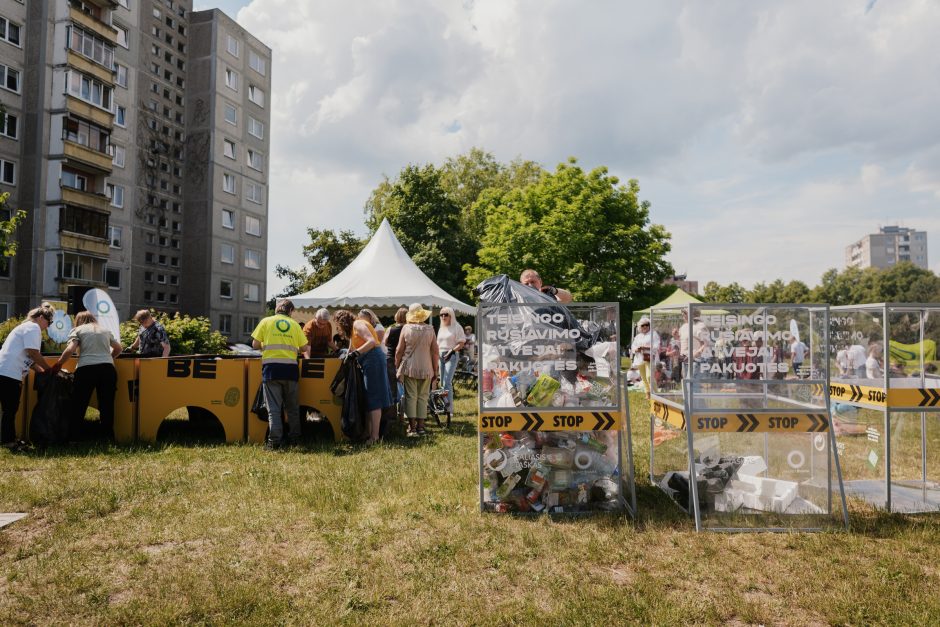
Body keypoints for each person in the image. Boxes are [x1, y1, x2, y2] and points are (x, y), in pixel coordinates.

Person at [54, 311, 123, 441]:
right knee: (107, 405)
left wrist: (59, 364)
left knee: (79, 404)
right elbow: (119, 348)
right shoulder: (105, 330)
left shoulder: (78, 330)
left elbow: (70, 349)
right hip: (108, 369)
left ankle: (74, 438)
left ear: (79, 320)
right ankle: (107, 437)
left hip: (86, 369)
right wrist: (108, 358)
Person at [251, 299, 309, 450]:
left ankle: (274, 442)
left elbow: (255, 345)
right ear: (290, 311)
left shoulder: (266, 321)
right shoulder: (295, 325)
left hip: (271, 371)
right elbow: (304, 347)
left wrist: (266, 345)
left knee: (274, 409)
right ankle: (295, 439)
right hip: (290, 371)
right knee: (292, 408)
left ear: (277, 309)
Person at [0, 305, 57, 447]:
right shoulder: (33, 328)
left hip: (6, 371)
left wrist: (41, 371)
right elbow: (33, 353)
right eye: (49, 323)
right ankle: (8, 441)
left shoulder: (24, 327)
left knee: (9, 409)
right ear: (41, 317)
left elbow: (29, 359)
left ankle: (8, 439)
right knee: (10, 409)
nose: (48, 327)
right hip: (10, 373)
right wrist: (49, 370)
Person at [335, 309, 391, 444]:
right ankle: (369, 433)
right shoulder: (353, 330)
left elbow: (371, 341)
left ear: (343, 322)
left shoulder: (358, 324)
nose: (338, 328)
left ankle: (375, 437)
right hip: (368, 361)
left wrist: (355, 354)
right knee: (369, 397)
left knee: (374, 397)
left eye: (338, 324)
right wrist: (346, 357)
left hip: (373, 359)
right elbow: (351, 348)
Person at [395, 303, 440, 435]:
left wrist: (397, 365)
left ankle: (412, 428)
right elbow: (435, 352)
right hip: (427, 368)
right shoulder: (430, 329)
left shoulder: (406, 328)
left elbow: (399, 350)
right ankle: (421, 427)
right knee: (423, 397)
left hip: (410, 368)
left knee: (411, 397)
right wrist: (435, 370)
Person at [436, 306, 465, 427]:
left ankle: (450, 410)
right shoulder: (441, 328)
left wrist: (451, 351)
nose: (443, 316)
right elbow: (438, 343)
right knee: (442, 383)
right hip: (440, 355)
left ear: (451, 315)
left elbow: (462, 342)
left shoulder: (457, 327)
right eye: (441, 314)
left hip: (451, 355)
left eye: (446, 314)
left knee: (447, 382)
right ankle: (444, 407)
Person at [382, 307, 408, 420]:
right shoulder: (408, 329)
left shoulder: (390, 329)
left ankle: (391, 415)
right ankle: (405, 413)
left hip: (390, 359)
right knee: (407, 387)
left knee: (392, 388)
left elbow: (385, 343)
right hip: (405, 360)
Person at [630, 316, 659, 399]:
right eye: (643, 325)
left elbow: (657, 345)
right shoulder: (638, 336)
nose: (645, 327)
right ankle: (648, 393)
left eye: (646, 324)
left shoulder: (653, 334)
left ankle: (656, 393)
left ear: (649, 325)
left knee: (649, 376)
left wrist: (647, 347)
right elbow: (633, 346)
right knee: (643, 377)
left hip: (649, 357)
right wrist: (637, 349)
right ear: (640, 327)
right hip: (639, 358)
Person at [678, 309, 710, 378]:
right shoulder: (683, 327)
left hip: (696, 361)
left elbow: (706, 344)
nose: (683, 315)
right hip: (685, 361)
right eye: (683, 313)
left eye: (685, 313)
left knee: (693, 386)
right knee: (686, 385)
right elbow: (682, 343)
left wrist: (693, 356)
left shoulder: (700, 326)